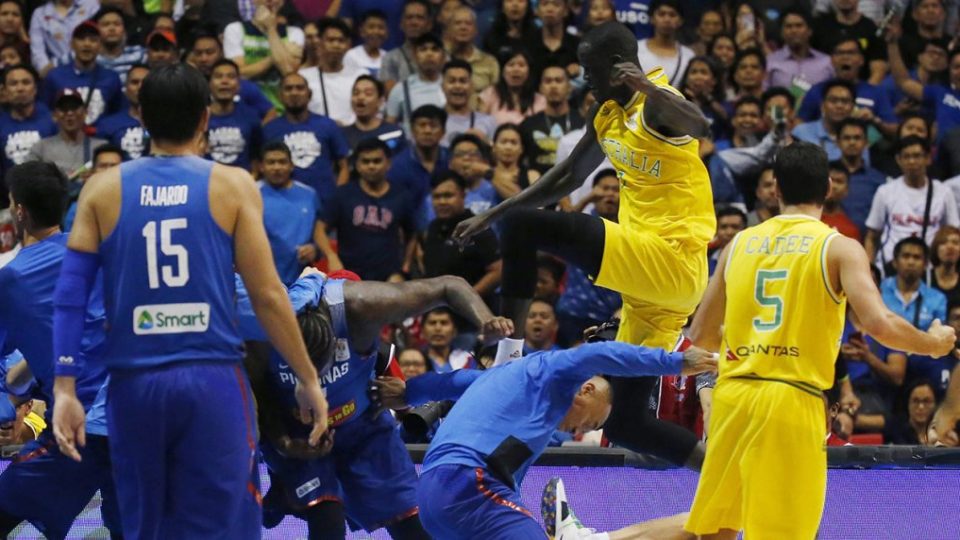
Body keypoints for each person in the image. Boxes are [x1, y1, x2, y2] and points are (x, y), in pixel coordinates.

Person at [548, 141, 957, 540]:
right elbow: (880, 324)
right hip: (790, 398)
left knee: (715, 527)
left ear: (776, 188)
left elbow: (701, 336)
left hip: (734, 399)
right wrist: (933, 343)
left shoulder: (739, 243)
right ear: (828, 189)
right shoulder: (839, 247)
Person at [50, 63, 329, 539]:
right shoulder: (232, 184)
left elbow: (70, 296)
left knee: (147, 526)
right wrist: (306, 377)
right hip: (211, 379)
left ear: (140, 119)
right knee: (228, 523)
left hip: (134, 385)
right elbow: (266, 294)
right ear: (205, 119)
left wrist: (64, 388)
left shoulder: (101, 188)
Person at [453, 21, 715, 470]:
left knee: (522, 228)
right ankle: (721, 474)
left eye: (589, 71)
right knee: (626, 425)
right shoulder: (607, 112)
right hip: (651, 298)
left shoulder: (656, 108)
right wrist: (491, 215)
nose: (584, 79)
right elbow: (568, 177)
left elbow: (701, 123)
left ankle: (507, 358)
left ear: (617, 69)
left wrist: (644, 88)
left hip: (671, 259)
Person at [239, 269, 511, 540]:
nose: (315, 379)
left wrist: (486, 320)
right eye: (301, 369)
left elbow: (449, 285)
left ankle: (282, 494)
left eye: (319, 368)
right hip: (300, 435)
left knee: (414, 525)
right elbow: (258, 399)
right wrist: (284, 443)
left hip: (363, 427)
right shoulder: (257, 328)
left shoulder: (361, 305)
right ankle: (281, 490)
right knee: (326, 520)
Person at [373, 338, 717, 539]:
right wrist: (673, 362)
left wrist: (408, 393)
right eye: (592, 420)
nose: (581, 431)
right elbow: (593, 355)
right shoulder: (551, 372)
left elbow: (449, 383)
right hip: (469, 484)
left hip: (435, 494)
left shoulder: (502, 379)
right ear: (585, 390)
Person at [0, 162, 120, 540]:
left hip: (79, 427)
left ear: (18, 210)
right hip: (138, 415)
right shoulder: (104, 252)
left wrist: (10, 402)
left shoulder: (12, 278)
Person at [317, 137, 417, 281]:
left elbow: (412, 233)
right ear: (357, 165)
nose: (371, 166)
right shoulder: (342, 194)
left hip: (389, 276)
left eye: (377, 161)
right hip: (350, 275)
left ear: (388, 163)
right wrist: (331, 256)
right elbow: (319, 228)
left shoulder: (402, 196)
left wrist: (405, 265)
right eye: (365, 161)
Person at [865, 136, 959, 272]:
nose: (912, 161)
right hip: (890, 267)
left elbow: (952, 232)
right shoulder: (885, 192)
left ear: (928, 158)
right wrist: (870, 269)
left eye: (917, 156)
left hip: (929, 268)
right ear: (898, 160)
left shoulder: (944, 192)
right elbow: (871, 236)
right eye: (906, 156)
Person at [413, 171, 502, 304]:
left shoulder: (477, 227)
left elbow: (498, 271)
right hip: (436, 311)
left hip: (472, 312)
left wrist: (465, 299)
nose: (442, 202)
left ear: (463, 195)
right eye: (436, 197)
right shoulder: (432, 228)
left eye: (448, 196)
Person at [556, 169, 623, 345]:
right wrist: (586, 199)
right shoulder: (582, 223)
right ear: (594, 192)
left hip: (612, 316)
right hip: (574, 312)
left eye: (616, 190)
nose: (610, 194)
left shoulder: (630, 230)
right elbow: (560, 228)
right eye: (604, 189)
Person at [263, 72, 350, 204]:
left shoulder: (328, 125)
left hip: (325, 202)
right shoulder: (269, 130)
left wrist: (337, 198)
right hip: (283, 203)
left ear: (309, 94)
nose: (294, 93)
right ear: (280, 96)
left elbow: (344, 166)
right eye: (288, 89)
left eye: (299, 88)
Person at [258, 141, 323, 285]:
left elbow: (320, 234)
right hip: (261, 283)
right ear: (261, 167)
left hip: (302, 283)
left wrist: (315, 250)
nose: (277, 167)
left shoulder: (309, 195)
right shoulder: (251, 194)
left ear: (291, 165)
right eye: (271, 162)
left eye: (282, 162)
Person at [224, 0, 304, 110]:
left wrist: (271, 29)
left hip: (282, 109)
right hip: (246, 106)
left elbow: (289, 72)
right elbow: (238, 74)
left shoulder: (294, 33)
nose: (269, 0)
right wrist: (276, 56)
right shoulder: (235, 30)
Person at [42, 20, 123, 126]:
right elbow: (45, 111)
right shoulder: (54, 76)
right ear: (72, 44)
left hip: (101, 139)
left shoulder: (111, 78)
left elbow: (118, 113)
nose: (87, 44)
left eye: (93, 40)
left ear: (100, 46)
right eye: (81, 39)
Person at [300, 17, 368, 126]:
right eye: (330, 40)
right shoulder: (304, 77)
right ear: (320, 43)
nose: (336, 45)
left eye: (341, 41)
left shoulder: (360, 76)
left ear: (348, 45)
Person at [28, 89, 106, 180]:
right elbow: (30, 180)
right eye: (63, 108)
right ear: (54, 115)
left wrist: (96, 177)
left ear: (85, 113)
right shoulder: (41, 148)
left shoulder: (101, 147)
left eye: (74, 107)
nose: (69, 113)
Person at [520, 63, 583, 174]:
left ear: (569, 87)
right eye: (548, 81)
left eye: (558, 80)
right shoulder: (528, 125)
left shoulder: (583, 122)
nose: (553, 86)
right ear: (540, 88)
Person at [385, 33, 447, 138]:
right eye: (423, 49)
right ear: (414, 56)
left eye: (435, 49)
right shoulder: (401, 89)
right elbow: (389, 126)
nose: (429, 54)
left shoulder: (451, 87)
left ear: (443, 56)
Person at [829, 118, 884, 234]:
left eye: (857, 138)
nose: (852, 142)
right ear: (837, 142)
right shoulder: (824, 174)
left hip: (863, 244)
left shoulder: (878, 180)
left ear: (866, 142)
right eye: (847, 138)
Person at [206, 59, 262, 172]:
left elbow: (256, 156)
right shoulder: (198, 118)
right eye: (218, 76)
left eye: (231, 77)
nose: (224, 81)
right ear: (209, 84)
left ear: (239, 85)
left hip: (241, 184)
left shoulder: (251, 117)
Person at [0, 65, 57, 172]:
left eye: (26, 82)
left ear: (35, 88)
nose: (20, 88)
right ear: (4, 91)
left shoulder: (53, 122)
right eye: (13, 83)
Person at [764, 8, 833, 92]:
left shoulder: (827, 62)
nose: (794, 30)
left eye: (799, 25)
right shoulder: (770, 62)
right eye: (789, 26)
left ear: (809, 31)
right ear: (782, 32)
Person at [93, 63, 149, 160]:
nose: (140, 87)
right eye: (135, 82)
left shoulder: (164, 124)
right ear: (125, 88)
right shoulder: (107, 124)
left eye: (145, 83)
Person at [28, 0, 100, 76]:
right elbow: (37, 51)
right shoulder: (39, 14)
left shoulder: (91, 5)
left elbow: (100, 37)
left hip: (92, 68)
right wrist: (49, 73)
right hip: (56, 72)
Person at [63, 143, 123, 232]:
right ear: (93, 171)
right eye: (103, 166)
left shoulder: (132, 201)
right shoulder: (78, 206)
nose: (108, 170)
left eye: (114, 166)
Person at [341, 75, 406, 155]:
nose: (360, 97)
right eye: (356, 93)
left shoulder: (395, 133)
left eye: (368, 94)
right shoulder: (341, 135)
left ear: (380, 101)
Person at [379, 0, 433, 94]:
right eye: (409, 17)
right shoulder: (390, 58)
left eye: (419, 18)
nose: (414, 22)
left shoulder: (442, 57)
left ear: (429, 24)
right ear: (401, 24)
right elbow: (391, 95)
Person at [635, 0, 694, 85]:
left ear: (680, 21)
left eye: (672, 15)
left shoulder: (688, 56)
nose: (667, 19)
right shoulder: (636, 49)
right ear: (652, 18)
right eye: (661, 14)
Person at [441, 59, 497, 146]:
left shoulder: (488, 122)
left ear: (472, 86)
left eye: (463, 81)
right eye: (452, 81)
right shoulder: (432, 122)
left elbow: (497, 154)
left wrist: (486, 143)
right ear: (442, 86)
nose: (457, 86)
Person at [446, 6, 498, 94]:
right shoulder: (441, 60)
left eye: (468, 23)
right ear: (449, 30)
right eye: (458, 23)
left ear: (476, 30)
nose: (463, 27)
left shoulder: (490, 62)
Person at [94, 6, 145, 82]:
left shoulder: (139, 54)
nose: (112, 28)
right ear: (96, 30)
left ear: (124, 30)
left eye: (117, 24)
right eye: (106, 24)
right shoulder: (90, 57)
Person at [885, 379, 939, 444]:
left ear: (935, 404)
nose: (921, 407)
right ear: (908, 403)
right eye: (915, 401)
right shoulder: (894, 432)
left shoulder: (943, 433)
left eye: (926, 401)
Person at [343, 9, 388, 78]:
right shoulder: (351, 56)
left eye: (380, 27)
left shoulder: (388, 58)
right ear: (361, 31)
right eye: (371, 27)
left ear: (386, 32)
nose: (376, 31)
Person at [821, 164, 861, 241]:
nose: (834, 186)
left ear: (847, 190)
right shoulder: (807, 221)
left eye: (839, 181)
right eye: (830, 180)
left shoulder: (851, 229)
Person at [929, 226, 960, 306]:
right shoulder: (924, 278)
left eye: (955, 242)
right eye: (943, 242)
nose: (950, 247)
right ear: (936, 248)